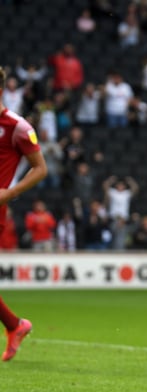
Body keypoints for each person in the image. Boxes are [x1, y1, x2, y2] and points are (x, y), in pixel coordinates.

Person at [0, 66, 48, 361]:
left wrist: (10, 192)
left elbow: (40, 168)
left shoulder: (17, 127)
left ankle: (15, 325)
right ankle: (15, 325)